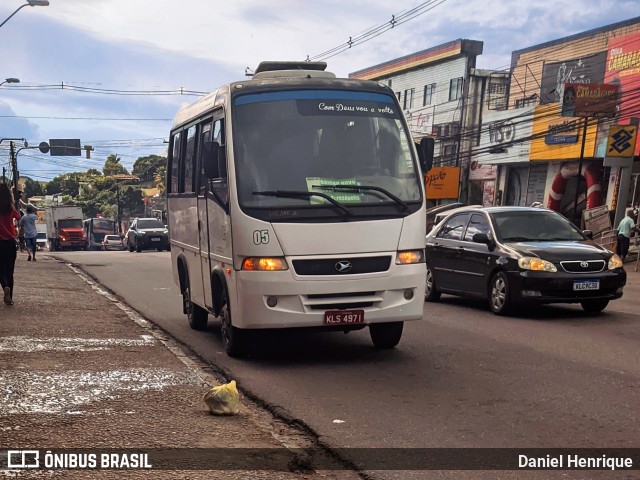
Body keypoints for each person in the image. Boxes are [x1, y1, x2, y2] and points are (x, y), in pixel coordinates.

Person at [0, 184, 21, 305]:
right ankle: (10, 298)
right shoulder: (11, 209)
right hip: (10, 242)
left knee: (0, 269)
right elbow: (18, 218)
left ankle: (5, 287)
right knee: (9, 270)